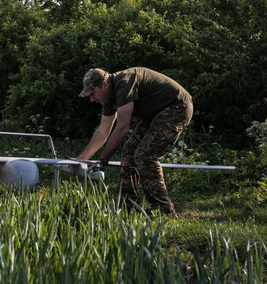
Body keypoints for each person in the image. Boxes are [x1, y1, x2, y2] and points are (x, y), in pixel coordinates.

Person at [76, 67, 193, 215]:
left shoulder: (124, 84)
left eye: (92, 93)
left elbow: (122, 128)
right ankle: (128, 206)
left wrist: (103, 159)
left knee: (144, 155)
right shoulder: (107, 98)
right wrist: (81, 160)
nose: (92, 99)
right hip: (155, 113)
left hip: (177, 107)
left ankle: (163, 210)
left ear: (104, 84)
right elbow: (103, 130)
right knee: (129, 153)